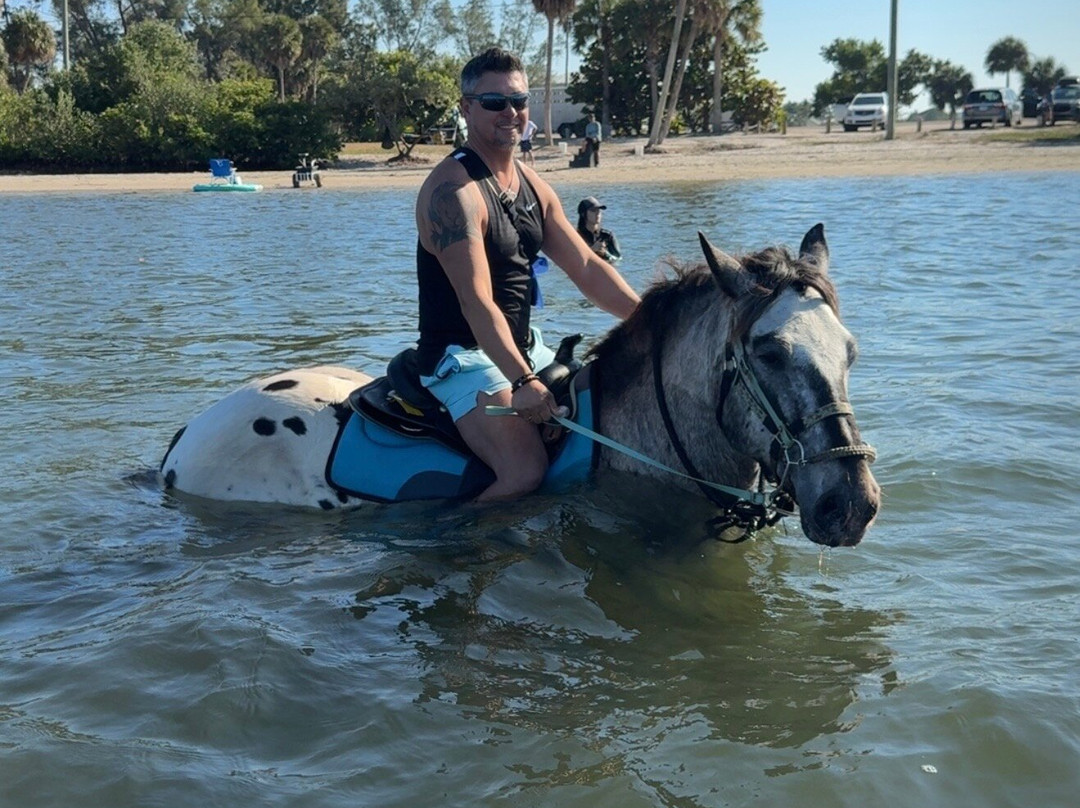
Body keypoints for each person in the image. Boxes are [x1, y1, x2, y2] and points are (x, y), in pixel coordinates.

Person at [414, 47, 640, 501]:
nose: (510, 113)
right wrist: (521, 382)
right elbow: (477, 302)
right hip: (461, 359)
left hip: (524, 345)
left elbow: (588, 268)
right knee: (525, 472)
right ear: (466, 108)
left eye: (518, 100)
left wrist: (654, 318)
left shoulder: (533, 185)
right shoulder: (452, 192)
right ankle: (454, 554)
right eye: (494, 102)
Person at [576, 197, 621, 262]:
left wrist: (605, 253)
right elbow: (573, 261)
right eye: (593, 210)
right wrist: (592, 250)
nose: (598, 214)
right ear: (583, 214)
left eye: (599, 210)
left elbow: (618, 259)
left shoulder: (607, 236)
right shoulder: (576, 236)